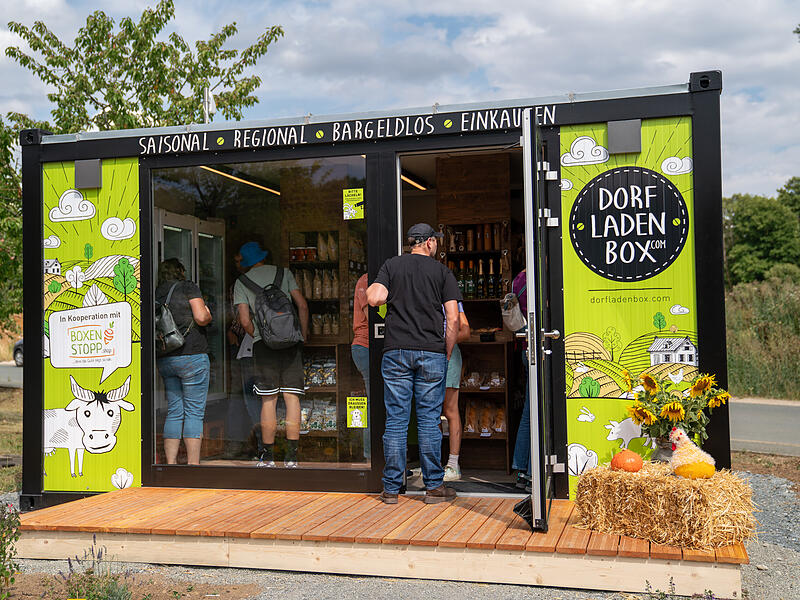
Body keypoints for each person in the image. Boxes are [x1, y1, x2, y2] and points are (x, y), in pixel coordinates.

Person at [367, 223, 460, 504]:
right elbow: (453, 319)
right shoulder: (442, 272)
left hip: (396, 351)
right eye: (436, 241)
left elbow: (375, 298)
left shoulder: (392, 266)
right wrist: (446, 350)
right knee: (429, 420)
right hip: (431, 352)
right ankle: (433, 487)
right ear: (429, 242)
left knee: (396, 419)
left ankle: (391, 488)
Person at [233, 241, 309, 468]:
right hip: (291, 342)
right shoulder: (284, 273)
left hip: (264, 346)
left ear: (247, 262)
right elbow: (302, 305)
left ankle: (268, 457)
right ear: (263, 256)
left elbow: (244, 320)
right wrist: (302, 335)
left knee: (269, 400)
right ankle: (292, 457)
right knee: (292, 397)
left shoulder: (241, 282)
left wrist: (259, 336)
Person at [155, 258, 212, 465]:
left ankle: (171, 464)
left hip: (166, 358)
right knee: (194, 412)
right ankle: (192, 466)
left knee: (174, 411)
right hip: (192, 355)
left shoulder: (157, 292)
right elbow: (201, 317)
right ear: (180, 271)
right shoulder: (188, 287)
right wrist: (208, 313)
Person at [442, 301, 471, 481]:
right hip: (427, 357)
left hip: (450, 356)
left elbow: (465, 331)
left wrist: (442, 341)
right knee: (429, 412)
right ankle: (432, 463)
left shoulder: (451, 297)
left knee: (450, 410)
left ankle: (453, 465)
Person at [510, 268, 532, 490]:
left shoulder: (518, 279)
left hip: (524, 346)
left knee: (528, 411)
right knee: (537, 411)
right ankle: (533, 471)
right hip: (537, 347)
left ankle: (523, 470)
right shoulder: (537, 276)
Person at [351, 272, 371, 459]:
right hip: (366, 347)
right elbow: (373, 317)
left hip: (365, 347)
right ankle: (371, 457)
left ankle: (374, 456)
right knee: (375, 404)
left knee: (377, 403)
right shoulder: (367, 280)